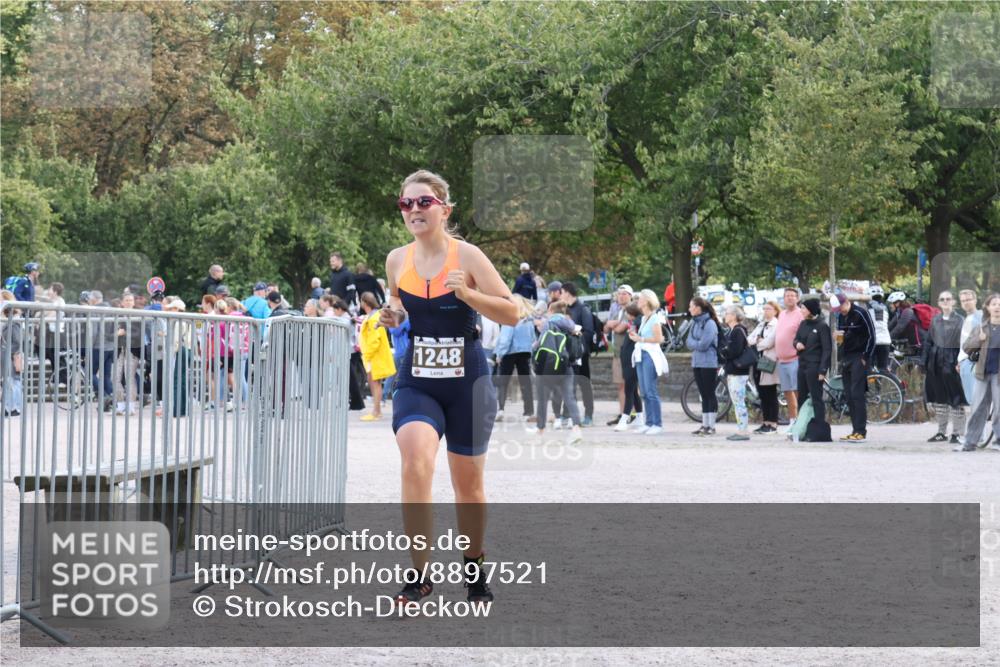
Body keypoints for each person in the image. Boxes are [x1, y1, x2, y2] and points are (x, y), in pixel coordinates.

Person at [379, 169, 517, 607]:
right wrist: (392, 316)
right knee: (416, 461)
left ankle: (474, 567)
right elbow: (399, 308)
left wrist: (471, 297)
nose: (414, 210)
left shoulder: (469, 256)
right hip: (418, 378)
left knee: (468, 485)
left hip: (467, 381)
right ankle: (419, 575)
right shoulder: (396, 259)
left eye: (424, 202)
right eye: (407, 204)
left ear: (444, 209)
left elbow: (512, 313)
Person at [527, 299, 583, 441]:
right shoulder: (571, 324)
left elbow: (541, 343)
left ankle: (541, 429)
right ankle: (577, 429)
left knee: (542, 398)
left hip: (549, 365)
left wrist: (533, 347)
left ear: (551, 311)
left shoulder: (550, 322)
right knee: (569, 397)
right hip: (566, 365)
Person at [956, 293, 1000, 452]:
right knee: (978, 408)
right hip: (982, 373)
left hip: (998, 375)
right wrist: (979, 339)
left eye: (999, 304)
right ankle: (970, 443)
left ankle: (999, 441)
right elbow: (967, 348)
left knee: (999, 410)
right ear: (988, 307)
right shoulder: (981, 327)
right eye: (994, 304)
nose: (997, 307)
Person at [923, 291, 968, 444]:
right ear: (939, 302)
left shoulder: (961, 321)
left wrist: (961, 362)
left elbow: (964, 343)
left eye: (948, 299)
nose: (945, 301)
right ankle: (941, 432)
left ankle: (957, 433)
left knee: (956, 398)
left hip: (952, 362)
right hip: (935, 363)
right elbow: (928, 341)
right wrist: (925, 362)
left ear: (953, 302)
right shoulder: (935, 320)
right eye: (942, 299)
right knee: (939, 399)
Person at [832, 289, 875, 443]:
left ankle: (861, 431)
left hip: (859, 356)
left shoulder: (861, 313)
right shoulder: (840, 316)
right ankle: (855, 429)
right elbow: (842, 337)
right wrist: (838, 339)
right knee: (849, 395)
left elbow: (872, 335)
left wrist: (866, 356)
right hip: (847, 357)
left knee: (857, 394)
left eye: (841, 309)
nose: (840, 312)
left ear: (846, 302)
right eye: (837, 311)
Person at [629, 289, 668, 435]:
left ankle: (657, 423)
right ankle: (649, 422)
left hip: (649, 356)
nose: (637, 300)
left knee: (651, 391)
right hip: (641, 354)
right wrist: (637, 337)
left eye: (640, 298)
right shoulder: (645, 318)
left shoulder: (654, 318)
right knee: (644, 391)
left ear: (647, 301)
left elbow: (659, 339)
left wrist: (641, 339)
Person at [493, 294, 536, 422]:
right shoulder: (528, 319)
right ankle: (529, 411)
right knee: (526, 383)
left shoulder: (510, 318)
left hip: (510, 352)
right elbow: (533, 338)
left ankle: (500, 409)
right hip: (525, 353)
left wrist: (500, 354)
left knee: (503, 382)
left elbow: (506, 338)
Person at [794, 299, 832, 437]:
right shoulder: (803, 323)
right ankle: (802, 428)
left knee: (816, 398)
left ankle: (818, 429)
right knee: (801, 398)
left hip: (814, 367)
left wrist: (823, 370)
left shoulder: (822, 326)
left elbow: (827, 349)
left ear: (811, 310)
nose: (801, 311)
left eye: (803, 308)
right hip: (802, 364)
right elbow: (796, 339)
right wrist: (797, 344)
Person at [559, 281, 594, 426]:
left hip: (581, 354)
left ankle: (588, 415)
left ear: (567, 292)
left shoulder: (582, 309)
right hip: (569, 354)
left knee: (584, 384)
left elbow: (589, 331)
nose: (560, 295)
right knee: (568, 385)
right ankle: (566, 414)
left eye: (561, 292)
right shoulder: (564, 309)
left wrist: (576, 338)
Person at [605, 285, 639, 427]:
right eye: (619, 294)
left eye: (624, 294)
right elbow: (606, 327)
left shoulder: (633, 310)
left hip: (629, 353)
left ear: (630, 295)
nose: (621, 296)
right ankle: (622, 414)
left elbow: (619, 328)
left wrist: (614, 324)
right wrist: (613, 324)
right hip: (617, 352)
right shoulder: (617, 311)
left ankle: (633, 413)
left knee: (631, 385)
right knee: (620, 385)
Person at [686, 296, 721, 436]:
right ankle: (704, 424)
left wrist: (695, 343)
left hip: (708, 363)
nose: (689, 309)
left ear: (698, 308)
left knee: (709, 393)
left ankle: (711, 425)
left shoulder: (710, 324)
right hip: (697, 362)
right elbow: (688, 342)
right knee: (703, 394)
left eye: (691, 306)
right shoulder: (694, 323)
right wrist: (696, 343)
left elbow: (704, 344)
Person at [719, 305, 753, 441]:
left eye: (727, 313)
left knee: (739, 401)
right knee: (736, 400)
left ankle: (743, 430)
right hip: (734, 370)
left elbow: (735, 351)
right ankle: (741, 428)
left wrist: (724, 351)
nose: (725, 315)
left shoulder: (737, 331)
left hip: (738, 371)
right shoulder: (733, 331)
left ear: (734, 315)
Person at [748, 300, 781, 434]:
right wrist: (757, 342)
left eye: (769, 309)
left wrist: (758, 343)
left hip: (769, 361)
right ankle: (765, 421)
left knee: (770, 392)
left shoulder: (776, 324)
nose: (766, 311)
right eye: (764, 309)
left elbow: (770, 342)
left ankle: (773, 423)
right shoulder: (761, 324)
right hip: (757, 360)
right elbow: (749, 339)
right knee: (762, 392)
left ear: (775, 311)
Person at [775, 287, 804, 425]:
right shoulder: (781, 314)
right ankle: (792, 421)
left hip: (795, 359)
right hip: (781, 360)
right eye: (787, 295)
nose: (790, 298)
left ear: (797, 298)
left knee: (796, 391)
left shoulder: (800, 314)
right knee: (786, 392)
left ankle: (799, 421)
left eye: (793, 295)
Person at [114, 292, 145, 415]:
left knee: (129, 377)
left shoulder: (139, 315)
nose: (128, 302)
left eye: (130, 300)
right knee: (115, 377)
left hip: (132, 350)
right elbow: (110, 334)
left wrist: (125, 332)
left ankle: (131, 407)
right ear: (122, 302)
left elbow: (140, 334)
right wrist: (116, 334)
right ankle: (120, 406)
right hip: (119, 350)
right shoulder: (117, 315)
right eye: (126, 300)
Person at [615, 302, 644, 431]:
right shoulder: (635, 323)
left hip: (631, 362)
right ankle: (639, 417)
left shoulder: (637, 323)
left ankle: (624, 418)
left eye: (627, 313)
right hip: (628, 361)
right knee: (632, 391)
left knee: (629, 390)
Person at [957, 289, 982, 408]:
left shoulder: (980, 316)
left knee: (976, 399)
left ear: (975, 300)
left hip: (973, 362)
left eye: (969, 300)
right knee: (972, 399)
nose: (966, 303)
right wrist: (959, 361)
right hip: (965, 362)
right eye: (963, 301)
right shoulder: (966, 319)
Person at [1, 291, 24, 416]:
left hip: (11, 355)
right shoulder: (11, 319)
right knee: (11, 381)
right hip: (10, 355)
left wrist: (8, 352)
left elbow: (16, 340)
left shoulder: (14, 321)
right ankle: (11, 407)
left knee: (13, 382)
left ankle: (13, 408)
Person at [384, 308, 411, 399]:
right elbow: (398, 330)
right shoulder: (403, 324)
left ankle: (385, 395)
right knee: (399, 376)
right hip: (403, 353)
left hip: (400, 353)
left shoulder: (394, 326)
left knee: (393, 375)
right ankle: (386, 395)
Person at [867, 285, 892, 370]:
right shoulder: (886, 308)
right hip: (885, 340)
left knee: (869, 368)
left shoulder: (866, 307)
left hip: (872, 341)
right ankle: (880, 382)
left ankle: (871, 381)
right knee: (883, 368)